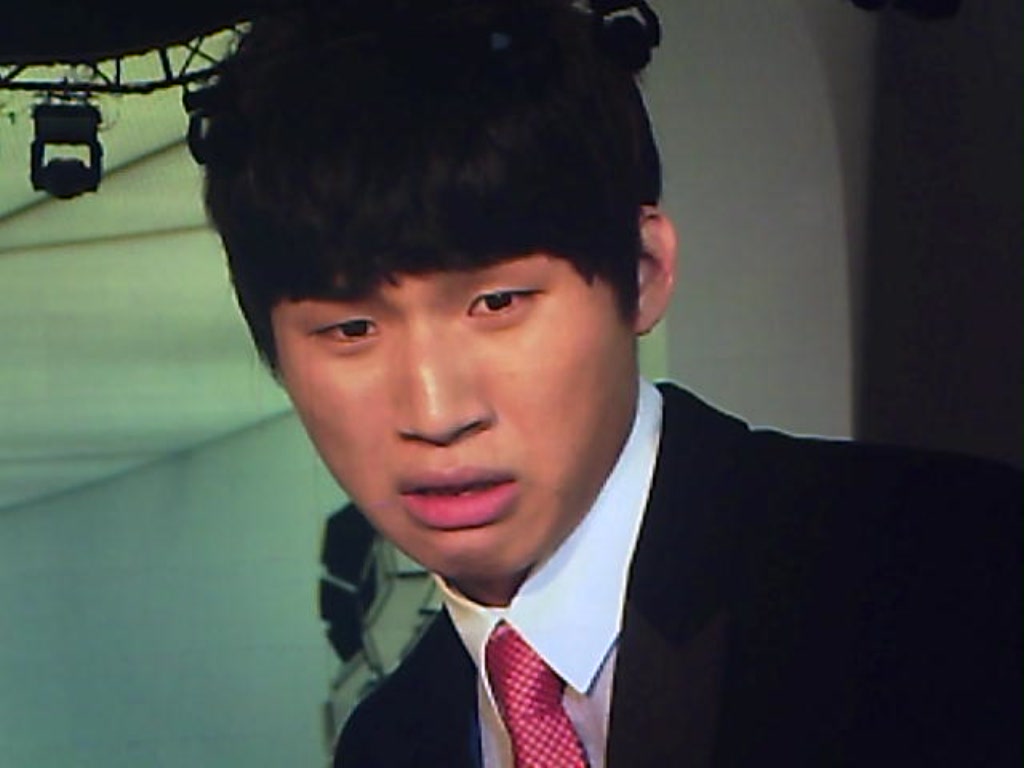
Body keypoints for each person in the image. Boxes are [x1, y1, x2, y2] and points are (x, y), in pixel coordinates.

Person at [194, 1, 1022, 765]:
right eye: (350, 330)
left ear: (644, 271)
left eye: (498, 303)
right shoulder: (389, 745)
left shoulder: (952, 572)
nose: (437, 412)